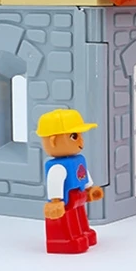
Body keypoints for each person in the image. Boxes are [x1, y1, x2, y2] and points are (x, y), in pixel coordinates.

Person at [37, 108, 105, 254]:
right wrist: (56, 200)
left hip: (79, 195)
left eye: (80, 135)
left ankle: (83, 231)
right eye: (74, 136)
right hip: (66, 200)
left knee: (80, 214)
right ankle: (69, 238)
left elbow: (83, 173)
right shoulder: (57, 167)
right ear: (53, 141)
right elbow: (54, 182)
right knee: (69, 218)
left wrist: (90, 188)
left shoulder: (78, 160)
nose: (81, 141)